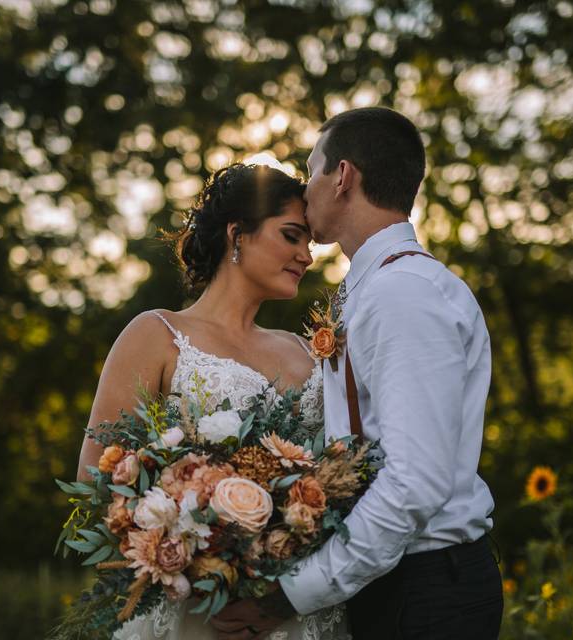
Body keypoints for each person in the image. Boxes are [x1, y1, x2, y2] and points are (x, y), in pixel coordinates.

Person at [211, 108, 502, 640]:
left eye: (311, 168)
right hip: (396, 580)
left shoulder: (402, 294)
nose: (305, 185)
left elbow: (415, 483)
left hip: (426, 590)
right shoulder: (374, 288)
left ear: (342, 177)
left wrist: (292, 595)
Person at [76, 163, 351, 640]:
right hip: (200, 611)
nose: (305, 256)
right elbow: (97, 478)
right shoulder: (156, 334)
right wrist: (193, 557)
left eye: (307, 242)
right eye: (291, 236)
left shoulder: (307, 351)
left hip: (297, 610)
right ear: (236, 234)